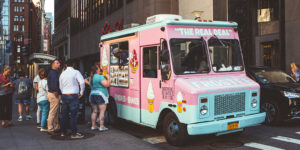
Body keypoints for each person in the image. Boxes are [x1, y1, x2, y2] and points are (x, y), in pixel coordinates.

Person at [59, 60, 85, 138]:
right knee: (73, 115)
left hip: (65, 95)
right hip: (73, 95)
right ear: (73, 65)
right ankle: (73, 133)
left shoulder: (62, 74)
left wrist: (63, 92)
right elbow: (82, 82)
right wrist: (81, 92)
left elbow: (60, 86)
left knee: (64, 115)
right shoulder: (76, 72)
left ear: (66, 65)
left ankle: (63, 132)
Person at [84, 64, 110, 131]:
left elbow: (84, 80)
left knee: (94, 111)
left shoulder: (91, 77)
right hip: (100, 95)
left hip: (92, 94)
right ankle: (102, 127)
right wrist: (109, 78)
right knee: (102, 111)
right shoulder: (100, 77)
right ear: (97, 70)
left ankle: (93, 126)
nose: (100, 69)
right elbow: (106, 84)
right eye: (99, 68)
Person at [47, 59, 61, 135]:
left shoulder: (53, 72)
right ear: (53, 64)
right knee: (53, 112)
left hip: (52, 93)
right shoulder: (53, 73)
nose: (59, 64)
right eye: (57, 63)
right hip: (54, 94)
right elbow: (54, 84)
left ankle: (56, 126)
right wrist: (56, 92)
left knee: (55, 112)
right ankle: (50, 128)